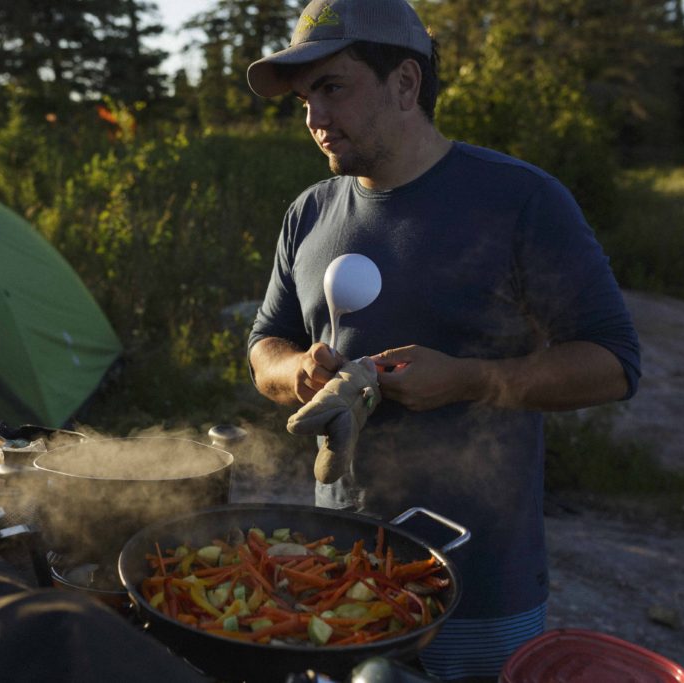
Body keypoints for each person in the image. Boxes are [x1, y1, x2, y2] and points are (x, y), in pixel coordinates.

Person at [245, 0, 641, 680]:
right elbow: (264, 347)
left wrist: (469, 379)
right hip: (334, 566)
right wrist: (302, 372)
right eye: (306, 98)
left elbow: (613, 363)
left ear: (405, 83)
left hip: (479, 585)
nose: (313, 118)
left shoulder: (521, 200)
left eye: (332, 88)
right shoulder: (308, 213)